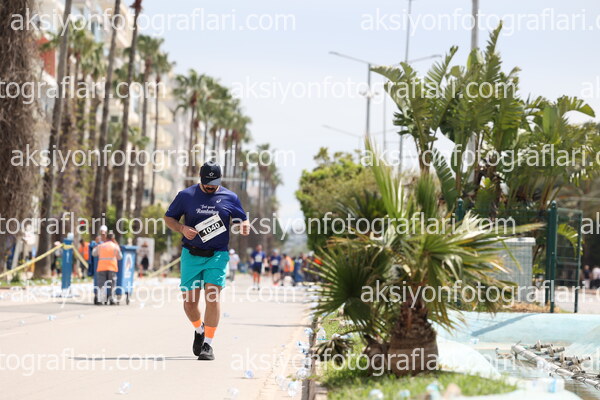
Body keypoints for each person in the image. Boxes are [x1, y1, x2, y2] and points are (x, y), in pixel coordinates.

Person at [164, 161, 249, 361]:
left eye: (214, 183)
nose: (211, 187)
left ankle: (208, 345)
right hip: (191, 254)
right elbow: (169, 218)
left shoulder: (230, 197)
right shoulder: (186, 196)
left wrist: (245, 225)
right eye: (207, 183)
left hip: (217, 255)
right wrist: (182, 228)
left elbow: (242, 218)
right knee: (190, 304)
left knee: (212, 297)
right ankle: (199, 329)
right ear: (200, 179)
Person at [92, 232, 122, 305]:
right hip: (112, 268)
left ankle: (100, 300)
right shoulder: (115, 246)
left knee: (101, 285)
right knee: (112, 285)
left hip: (102, 268)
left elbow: (93, 254)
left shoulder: (101, 246)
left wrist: (95, 245)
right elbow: (120, 257)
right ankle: (112, 300)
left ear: (106, 238)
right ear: (113, 239)